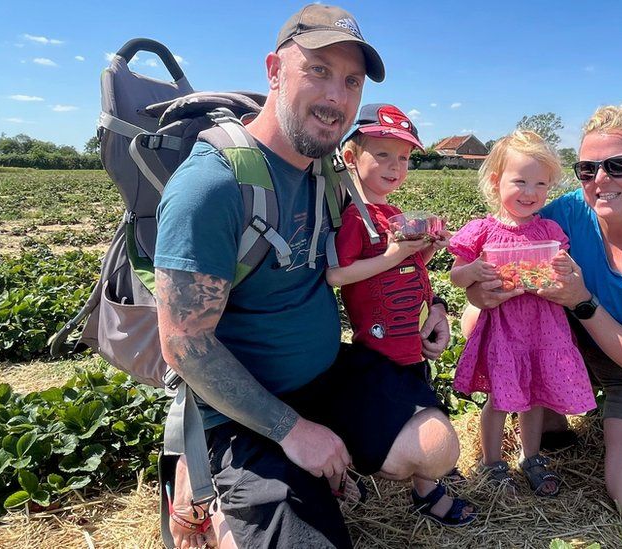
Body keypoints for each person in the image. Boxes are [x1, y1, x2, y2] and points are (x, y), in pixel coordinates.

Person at [153, 5, 460, 548]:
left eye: (351, 81)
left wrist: (431, 305)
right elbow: (184, 344)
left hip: (323, 378)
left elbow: (373, 248)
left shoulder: (324, 170)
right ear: (274, 71)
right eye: (317, 70)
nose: (337, 97)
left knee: (437, 448)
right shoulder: (211, 186)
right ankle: (201, 484)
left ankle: (316, 465)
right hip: (242, 410)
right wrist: (290, 431)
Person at [464, 105, 622, 523]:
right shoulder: (563, 214)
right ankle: (556, 415)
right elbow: (502, 246)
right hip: (567, 345)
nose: (600, 180)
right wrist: (479, 291)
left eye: (618, 166)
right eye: (587, 169)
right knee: (476, 321)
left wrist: (581, 299)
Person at [325, 103, 474, 526]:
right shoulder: (356, 218)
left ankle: (427, 482)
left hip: (409, 338)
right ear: (351, 158)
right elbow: (336, 275)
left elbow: (413, 268)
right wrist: (393, 254)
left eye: (404, 158)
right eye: (384, 155)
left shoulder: (392, 215)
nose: (396, 166)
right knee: (403, 411)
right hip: (378, 346)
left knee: (425, 397)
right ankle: (414, 483)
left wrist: (428, 247)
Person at [448, 130, 597, 497]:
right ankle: (492, 462)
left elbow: (566, 265)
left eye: (540, 184)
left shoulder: (549, 229)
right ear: (497, 181)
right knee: (500, 398)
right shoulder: (482, 230)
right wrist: (475, 272)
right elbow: (455, 273)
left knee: (535, 396)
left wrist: (564, 269)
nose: (530, 192)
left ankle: (531, 457)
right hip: (504, 329)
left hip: (545, 328)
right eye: (520, 181)